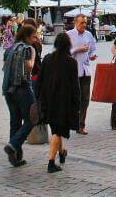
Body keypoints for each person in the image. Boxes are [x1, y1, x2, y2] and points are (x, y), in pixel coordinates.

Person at [37, 32, 80, 173]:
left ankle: (61, 152)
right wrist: (77, 104)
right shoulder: (72, 62)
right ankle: (51, 161)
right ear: (68, 45)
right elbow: (75, 86)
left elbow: (40, 80)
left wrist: (39, 98)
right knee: (57, 131)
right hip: (63, 103)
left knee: (57, 129)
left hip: (48, 100)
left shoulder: (48, 59)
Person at [2, 24, 37, 167]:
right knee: (32, 118)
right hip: (22, 88)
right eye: (34, 36)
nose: (36, 39)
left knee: (15, 121)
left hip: (8, 90)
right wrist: (33, 54)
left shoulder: (9, 48)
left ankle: (16, 156)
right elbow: (29, 66)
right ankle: (13, 144)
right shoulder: (27, 48)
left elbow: (4, 66)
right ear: (27, 36)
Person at [66, 15, 97, 135]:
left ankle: (81, 125)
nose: (84, 25)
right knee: (73, 99)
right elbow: (62, 52)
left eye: (85, 23)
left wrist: (93, 55)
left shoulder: (89, 34)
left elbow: (93, 48)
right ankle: (70, 121)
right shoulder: (69, 35)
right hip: (73, 72)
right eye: (82, 23)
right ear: (75, 22)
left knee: (85, 99)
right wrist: (76, 49)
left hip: (86, 71)